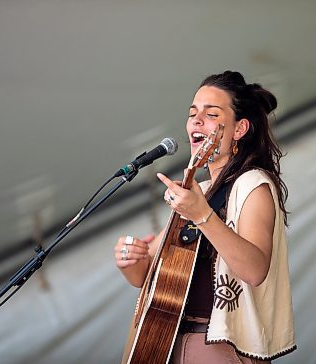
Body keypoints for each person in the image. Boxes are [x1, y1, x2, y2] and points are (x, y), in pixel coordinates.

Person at [115, 70, 296, 363]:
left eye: (211, 114)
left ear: (239, 129)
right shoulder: (198, 191)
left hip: (218, 348)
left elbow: (254, 269)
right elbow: (149, 277)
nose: (197, 121)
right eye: (192, 113)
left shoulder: (253, 184)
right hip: (166, 341)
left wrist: (202, 215)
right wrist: (130, 260)